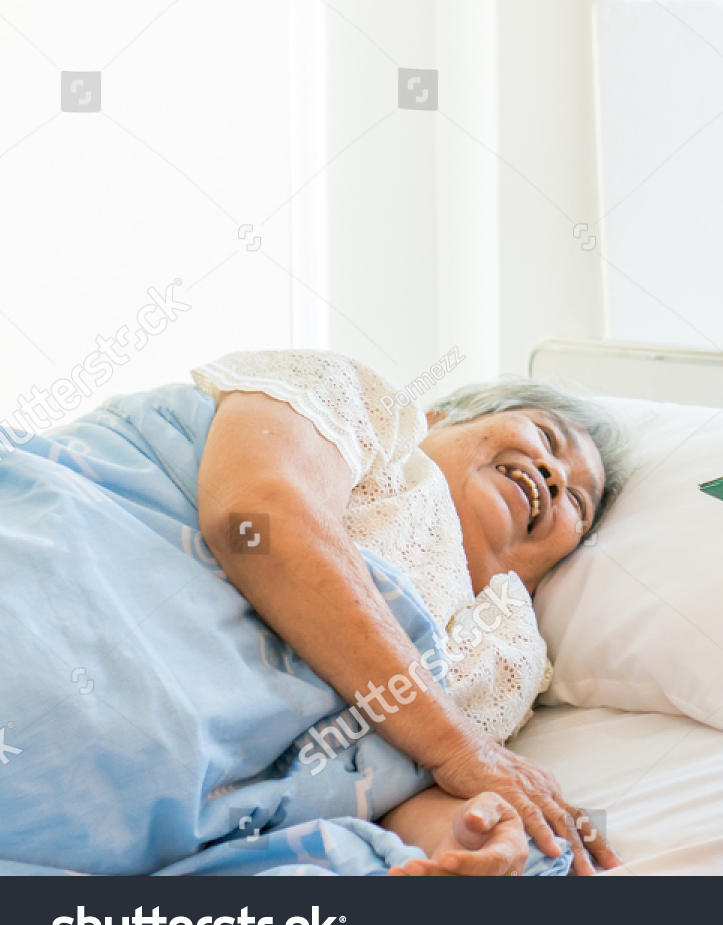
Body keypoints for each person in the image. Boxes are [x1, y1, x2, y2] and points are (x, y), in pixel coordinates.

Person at [193, 351, 629, 875]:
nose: (555, 475)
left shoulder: (502, 659)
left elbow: (381, 791)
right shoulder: (354, 404)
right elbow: (254, 522)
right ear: (436, 420)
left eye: (578, 503)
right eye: (547, 437)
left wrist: (473, 832)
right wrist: (459, 750)